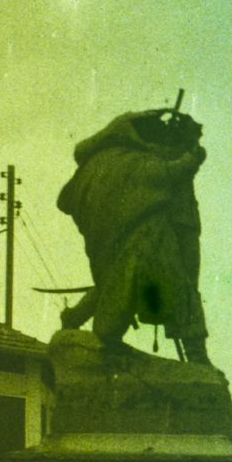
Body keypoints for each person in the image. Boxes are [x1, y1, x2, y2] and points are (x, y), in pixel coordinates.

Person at [56, 105, 211, 364]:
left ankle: (75, 317)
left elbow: (68, 201)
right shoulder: (129, 160)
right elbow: (160, 176)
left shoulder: (102, 159)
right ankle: (196, 352)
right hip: (146, 237)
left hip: (115, 238)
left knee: (115, 282)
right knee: (175, 287)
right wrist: (192, 160)